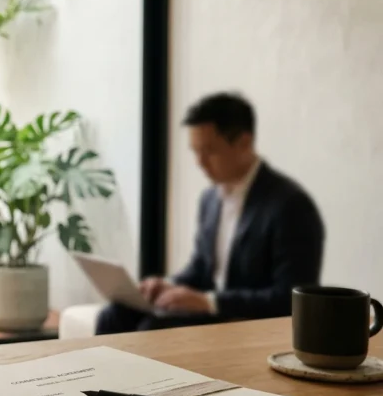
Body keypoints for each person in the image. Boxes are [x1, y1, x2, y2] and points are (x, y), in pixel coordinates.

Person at [96, 92, 325, 335]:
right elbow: (201, 269)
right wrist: (167, 286)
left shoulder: (290, 205)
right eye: (195, 151)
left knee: (153, 330)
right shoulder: (211, 200)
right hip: (212, 313)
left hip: (247, 322)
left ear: (244, 143)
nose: (200, 162)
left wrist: (209, 302)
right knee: (113, 315)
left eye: (209, 151)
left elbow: (291, 297)